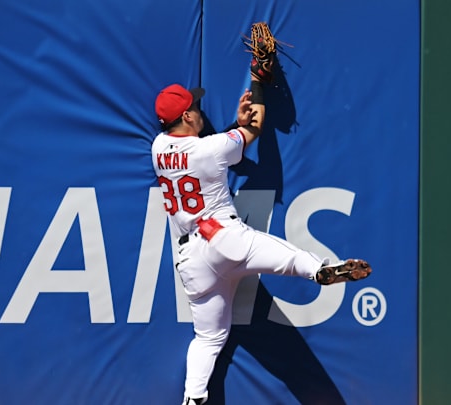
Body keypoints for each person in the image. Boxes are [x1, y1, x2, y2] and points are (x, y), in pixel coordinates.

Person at [151, 70, 372, 405]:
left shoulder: (158, 148)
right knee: (290, 257)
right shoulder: (211, 148)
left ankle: (192, 399)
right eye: (195, 107)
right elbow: (253, 128)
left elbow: (203, 153)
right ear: (186, 116)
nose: (199, 111)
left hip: (191, 260)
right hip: (225, 238)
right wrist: (257, 81)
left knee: (208, 339)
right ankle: (321, 270)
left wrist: (230, 129)